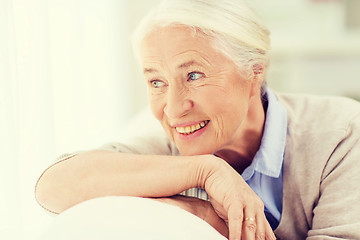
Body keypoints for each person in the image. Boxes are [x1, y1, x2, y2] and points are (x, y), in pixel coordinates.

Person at [35, 0, 360, 239]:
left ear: (254, 72)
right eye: (156, 82)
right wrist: (205, 172)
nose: (174, 110)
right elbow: (53, 187)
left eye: (193, 75)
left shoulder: (341, 132)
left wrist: (217, 224)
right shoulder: (164, 140)